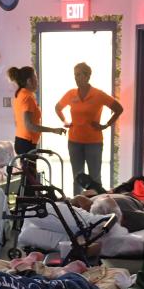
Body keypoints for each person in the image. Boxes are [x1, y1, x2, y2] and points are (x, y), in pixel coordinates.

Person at [54, 62, 123, 193]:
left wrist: (106, 125)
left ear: (88, 76)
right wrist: (65, 121)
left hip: (94, 143)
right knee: (77, 177)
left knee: (95, 178)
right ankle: (77, 208)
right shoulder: (71, 94)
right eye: (75, 75)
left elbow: (118, 109)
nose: (77, 78)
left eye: (80, 75)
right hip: (74, 141)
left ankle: (96, 207)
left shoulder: (98, 94)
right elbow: (57, 108)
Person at [7, 66, 65, 184]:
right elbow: (30, 126)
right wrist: (54, 130)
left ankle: (26, 200)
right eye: (36, 78)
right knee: (30, 181)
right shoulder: (27, 97)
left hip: (23, 141)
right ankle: (26, 201)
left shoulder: (22, 94)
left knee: (28, 179)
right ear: (29, 81)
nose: (37, 82)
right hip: (26, 143)